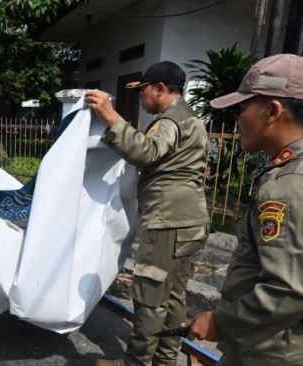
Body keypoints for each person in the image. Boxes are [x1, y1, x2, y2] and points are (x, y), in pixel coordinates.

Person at [86, 61, 210, 366]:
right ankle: (165, 361)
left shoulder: (170, 120)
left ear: (161, 89)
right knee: (173, 297)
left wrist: (111, 117)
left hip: (168, 222)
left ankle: (136, 363)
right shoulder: (191, 119)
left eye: (145, 91)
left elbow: (147, 151)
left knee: (150, 298)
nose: (142, 98)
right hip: (189, 221)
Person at [183, 54, 303, 365]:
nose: (238, 120)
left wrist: (221, 322)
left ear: (273, 111)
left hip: (270, 351)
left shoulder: (289, 185)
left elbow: (288, 291)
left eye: (243, 109)